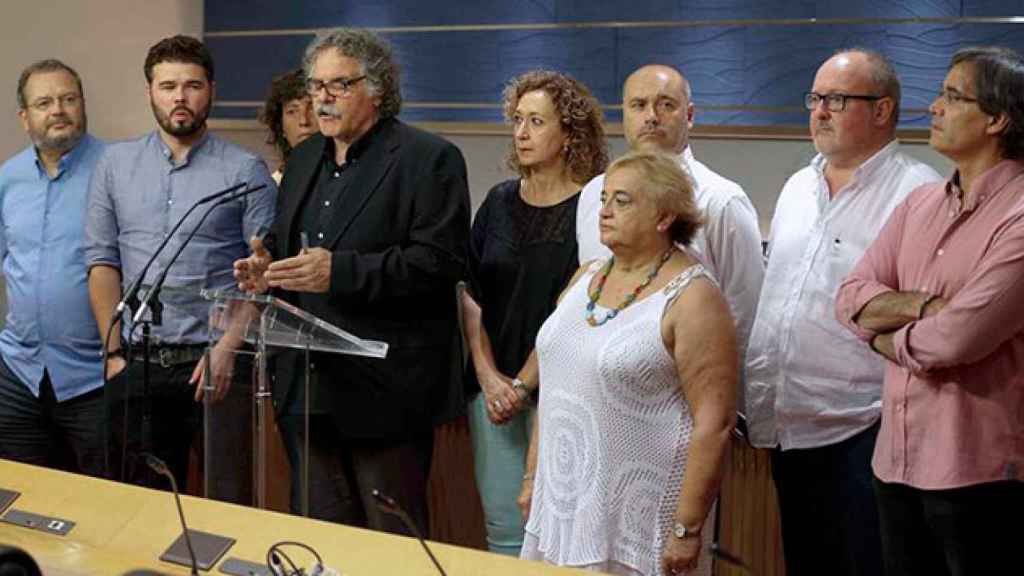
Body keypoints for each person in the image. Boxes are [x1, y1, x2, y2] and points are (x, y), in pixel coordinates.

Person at [233, 28, 470, 537]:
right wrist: (265, 267)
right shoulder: (301, 159)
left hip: (386, 392)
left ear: (378, 88)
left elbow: (438, 263)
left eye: (339, 84)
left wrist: (336, 271)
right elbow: (282, 241)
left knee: (390, 545)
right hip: (306, 387)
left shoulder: (428, 159)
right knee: (319, 539)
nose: (323, 97)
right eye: (316, 86)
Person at [743, 49, 942, 575]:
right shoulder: (797, 187)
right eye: (815, 99)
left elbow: (925, 316)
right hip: (789, 428)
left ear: (882, 110)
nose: (819, 112)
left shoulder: (918, 193)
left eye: (836, 99)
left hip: (865, 431)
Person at [836, 46, 1024, 576]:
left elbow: (957, 340)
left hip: (979, 476)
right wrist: (922, 305)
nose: (933, 108)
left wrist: (881, 336)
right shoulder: (920, 203)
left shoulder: (1018, 215)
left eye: (951, 96)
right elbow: (850, 295)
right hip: (895, 461)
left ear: (996, 119)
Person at [519, 150, 737, 575]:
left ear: (663, 217)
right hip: (561, 505)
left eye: (622, 201)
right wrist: (532, 477)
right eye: (604, 199)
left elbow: (715, 423)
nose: (604, 212)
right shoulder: (587, 277)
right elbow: (559, 384)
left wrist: (686, 529)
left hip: (639, 520)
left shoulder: (694, 298)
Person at [85, 35, 277, 496]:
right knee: (136, 502)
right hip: (138, 364)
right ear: (150, 91)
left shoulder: (244, 171)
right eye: (168, 85)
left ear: (210, 90)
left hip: (215, 364)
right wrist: (113, 353)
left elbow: (262, 274)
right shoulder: (114, 165)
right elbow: (101, 261)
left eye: (192, 85)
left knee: (227, 500)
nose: (180, 97)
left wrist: (229, 348)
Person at [459, 70, 608, 556]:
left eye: (536, 122)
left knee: (559, 531)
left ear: (569, 133)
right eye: (517, 120)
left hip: (561, 391)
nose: (521, 132)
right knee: (502, 527)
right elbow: (471, 292)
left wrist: (523, 383)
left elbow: (579, 306)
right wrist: (487, 376)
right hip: (492, 390)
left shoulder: (592, 205)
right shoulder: (499, 201)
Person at [575, 64, 763, 386]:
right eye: (638, 105)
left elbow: (748, 321)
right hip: (602, 389)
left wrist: (742, 419)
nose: (651, 116)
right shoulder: (594, 193)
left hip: (689, 392)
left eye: (665, 105)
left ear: (689, 115)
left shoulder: (721, 200)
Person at [0, 60, 106, 476]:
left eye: (68, 99)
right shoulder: (7, 179)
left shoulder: (118, 171)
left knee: (106, 512)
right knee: (23, 507)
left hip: (96, 377)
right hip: (18, 374)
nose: (58, 110)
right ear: (25, 118)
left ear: (82, 105)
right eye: (44, 102)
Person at [258, 69, 317, 184]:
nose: (303, 121)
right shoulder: (273, 187)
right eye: (292, 111)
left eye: (312, 108)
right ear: (281, 128)